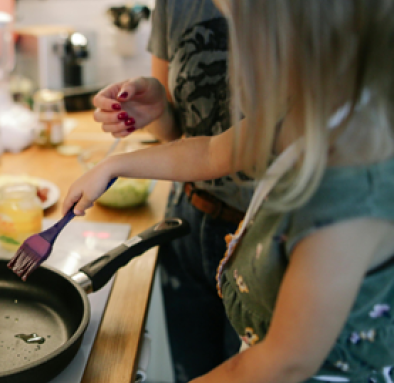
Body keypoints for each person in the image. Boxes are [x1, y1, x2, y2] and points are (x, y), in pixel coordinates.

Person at [65, 0, 394, 382]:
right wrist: (113, 165)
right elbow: (210, 151)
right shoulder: (308, 111)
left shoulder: (347, 198)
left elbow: (284, 363)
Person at [91, 0, 244, 380]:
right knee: (189, 367)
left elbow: (288, 358)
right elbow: (190, 139)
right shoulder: (175, 5)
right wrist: (155, 110)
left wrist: (115, 165)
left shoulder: (305, 16)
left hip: (264, 232)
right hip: (189, 221)